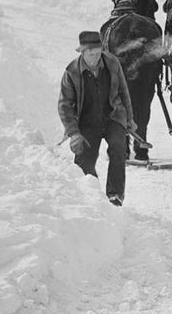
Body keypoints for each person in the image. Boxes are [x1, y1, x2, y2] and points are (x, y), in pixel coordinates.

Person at [58, 30, 137, 206]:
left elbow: (123, 91)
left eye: (98, 53)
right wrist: (74, 133)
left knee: (118, 148)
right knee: (84, 162)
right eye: (91, 54)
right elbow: (64, 105)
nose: (95, 58)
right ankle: (91, 194)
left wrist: (129, 119)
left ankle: (115, 195)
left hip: (113, 117)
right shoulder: (72, 72)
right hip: (86, 122)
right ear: (82, 52)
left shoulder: (112, 63)